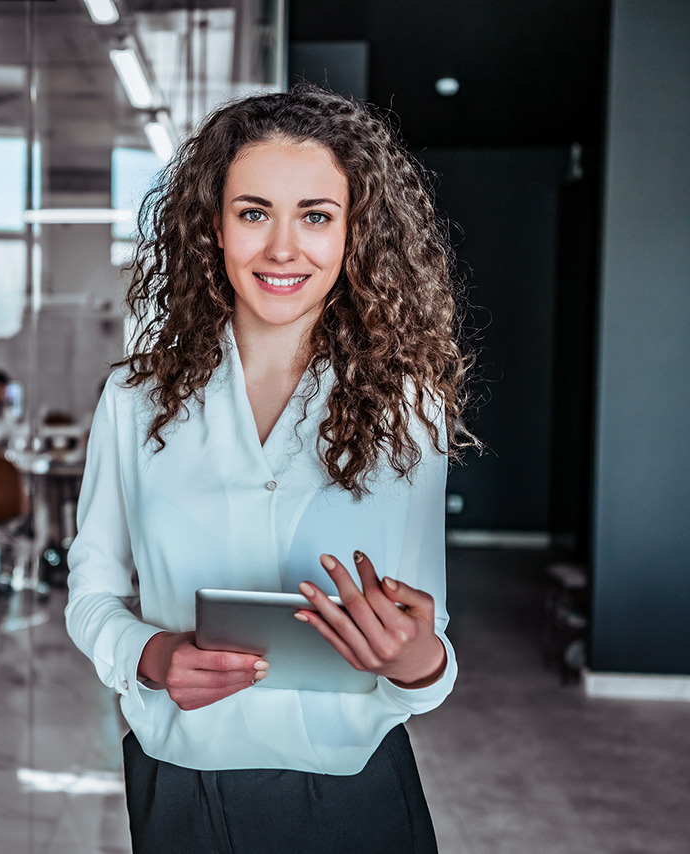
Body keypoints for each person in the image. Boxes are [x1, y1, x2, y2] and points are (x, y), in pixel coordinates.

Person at [64, 83, 476, 853]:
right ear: (213, 229)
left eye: (315, 216)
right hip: (184, 791)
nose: (283, 248)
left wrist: (416, 658)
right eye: (254, 213)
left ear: (355, 235)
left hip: (359, 797)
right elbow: (90, 593)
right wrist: (151, 658)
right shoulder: (133, 400)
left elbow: (432, 646)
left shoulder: (406, 409)